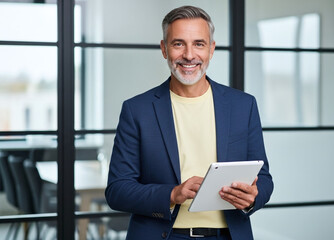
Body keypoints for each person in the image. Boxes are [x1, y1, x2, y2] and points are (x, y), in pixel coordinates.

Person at [105, 5, 273, 240]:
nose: (189, 55)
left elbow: (264, 178)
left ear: (211, 49)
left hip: (228, 235)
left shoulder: (243, 106)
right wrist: (172, 194)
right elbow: (117, 191)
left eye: (199, 44)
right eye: (178, 43)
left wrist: (253, 197)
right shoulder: (137, 110)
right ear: (164, 49)